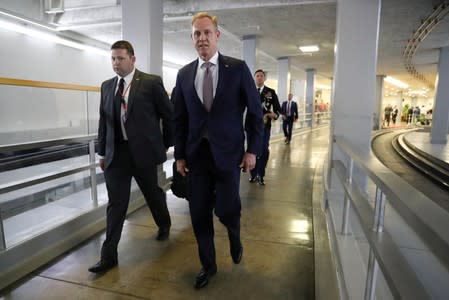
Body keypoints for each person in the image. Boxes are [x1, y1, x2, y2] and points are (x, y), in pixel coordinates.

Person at [173, 12, 263, 289]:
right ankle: (208, 266)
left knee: (226, 209)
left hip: (228, 155)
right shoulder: (184, 73)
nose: (202, 38)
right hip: (197, 158)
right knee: (199, 214)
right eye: (197, 34)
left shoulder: (237, 68)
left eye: (207, 33)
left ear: (217, 35)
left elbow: (255, 114)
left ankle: (234, 234)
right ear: (192, 39)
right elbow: (180, 118)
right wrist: (179, 155)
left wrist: (252, 151)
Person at [89, 40, 173, 273]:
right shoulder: (107, 86)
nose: (116, 63)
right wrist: (102, 152)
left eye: (120, 58)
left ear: (132, 59)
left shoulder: (150, 83)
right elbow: (103, 123)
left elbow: (169, 116)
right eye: (113, 59)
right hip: (117, 155)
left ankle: (164, 223)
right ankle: (109, 256)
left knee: (152, 193)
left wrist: (165, 144)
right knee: (116, 204)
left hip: (143, 154)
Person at [249, 69, 281, 185]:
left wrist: (275, 115)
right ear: (254, 78)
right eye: (257, 76)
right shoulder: (249, 90)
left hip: (264, 126)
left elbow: (278, 108)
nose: (259, 78)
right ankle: (253, 174)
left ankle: (261, 175)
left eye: (261, 76)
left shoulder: (271, 92)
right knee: (252, 150)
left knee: (263, 150)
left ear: (264, 78)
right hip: (251, 126)